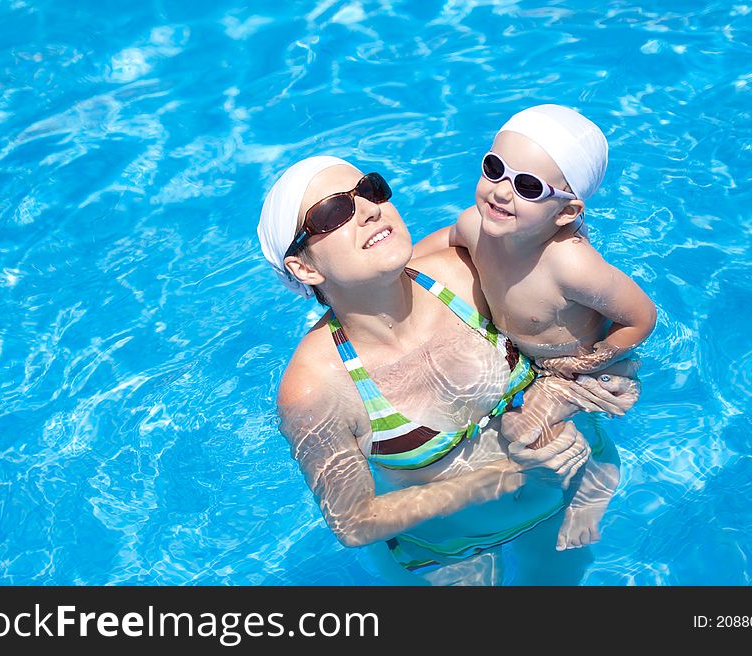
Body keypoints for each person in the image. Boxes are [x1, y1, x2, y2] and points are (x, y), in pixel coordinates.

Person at [257, 155, 640, 584]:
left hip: (572, 493)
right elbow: (354, 521)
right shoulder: (315, 387)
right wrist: (504, 476)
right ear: (304, 268)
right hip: (455, 550)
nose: (369, 209)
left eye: (370, 189)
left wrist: (565, 395)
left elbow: (597, 347)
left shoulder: (469, 273)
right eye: (334, 212)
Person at [413, 104, 657, 551]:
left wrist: (590, 362)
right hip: (525, 358)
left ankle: (596, 475)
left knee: (521, 431)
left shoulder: (570, 264)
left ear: (566, 213)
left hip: (575, 366)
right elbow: (439, 243)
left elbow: (641, 316)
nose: (502, 192)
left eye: (527, 186)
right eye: (494, 169)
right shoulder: (476, 225)